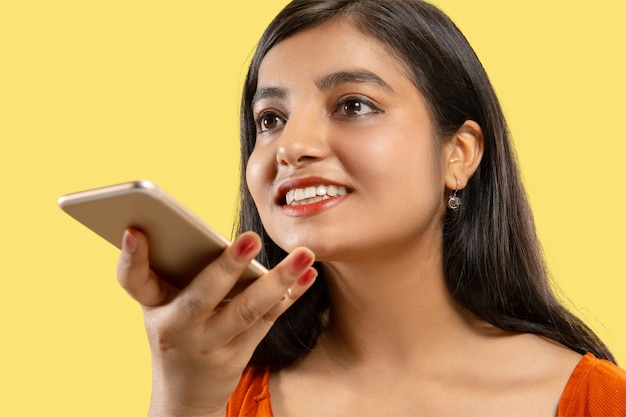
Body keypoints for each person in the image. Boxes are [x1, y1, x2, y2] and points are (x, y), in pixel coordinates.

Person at [117, 1, 626, 416]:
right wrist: (182, 403)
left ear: (459, 154)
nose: (291, 146)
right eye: (270, 118)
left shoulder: (597, 400)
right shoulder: (219, 397)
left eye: (353, 105)